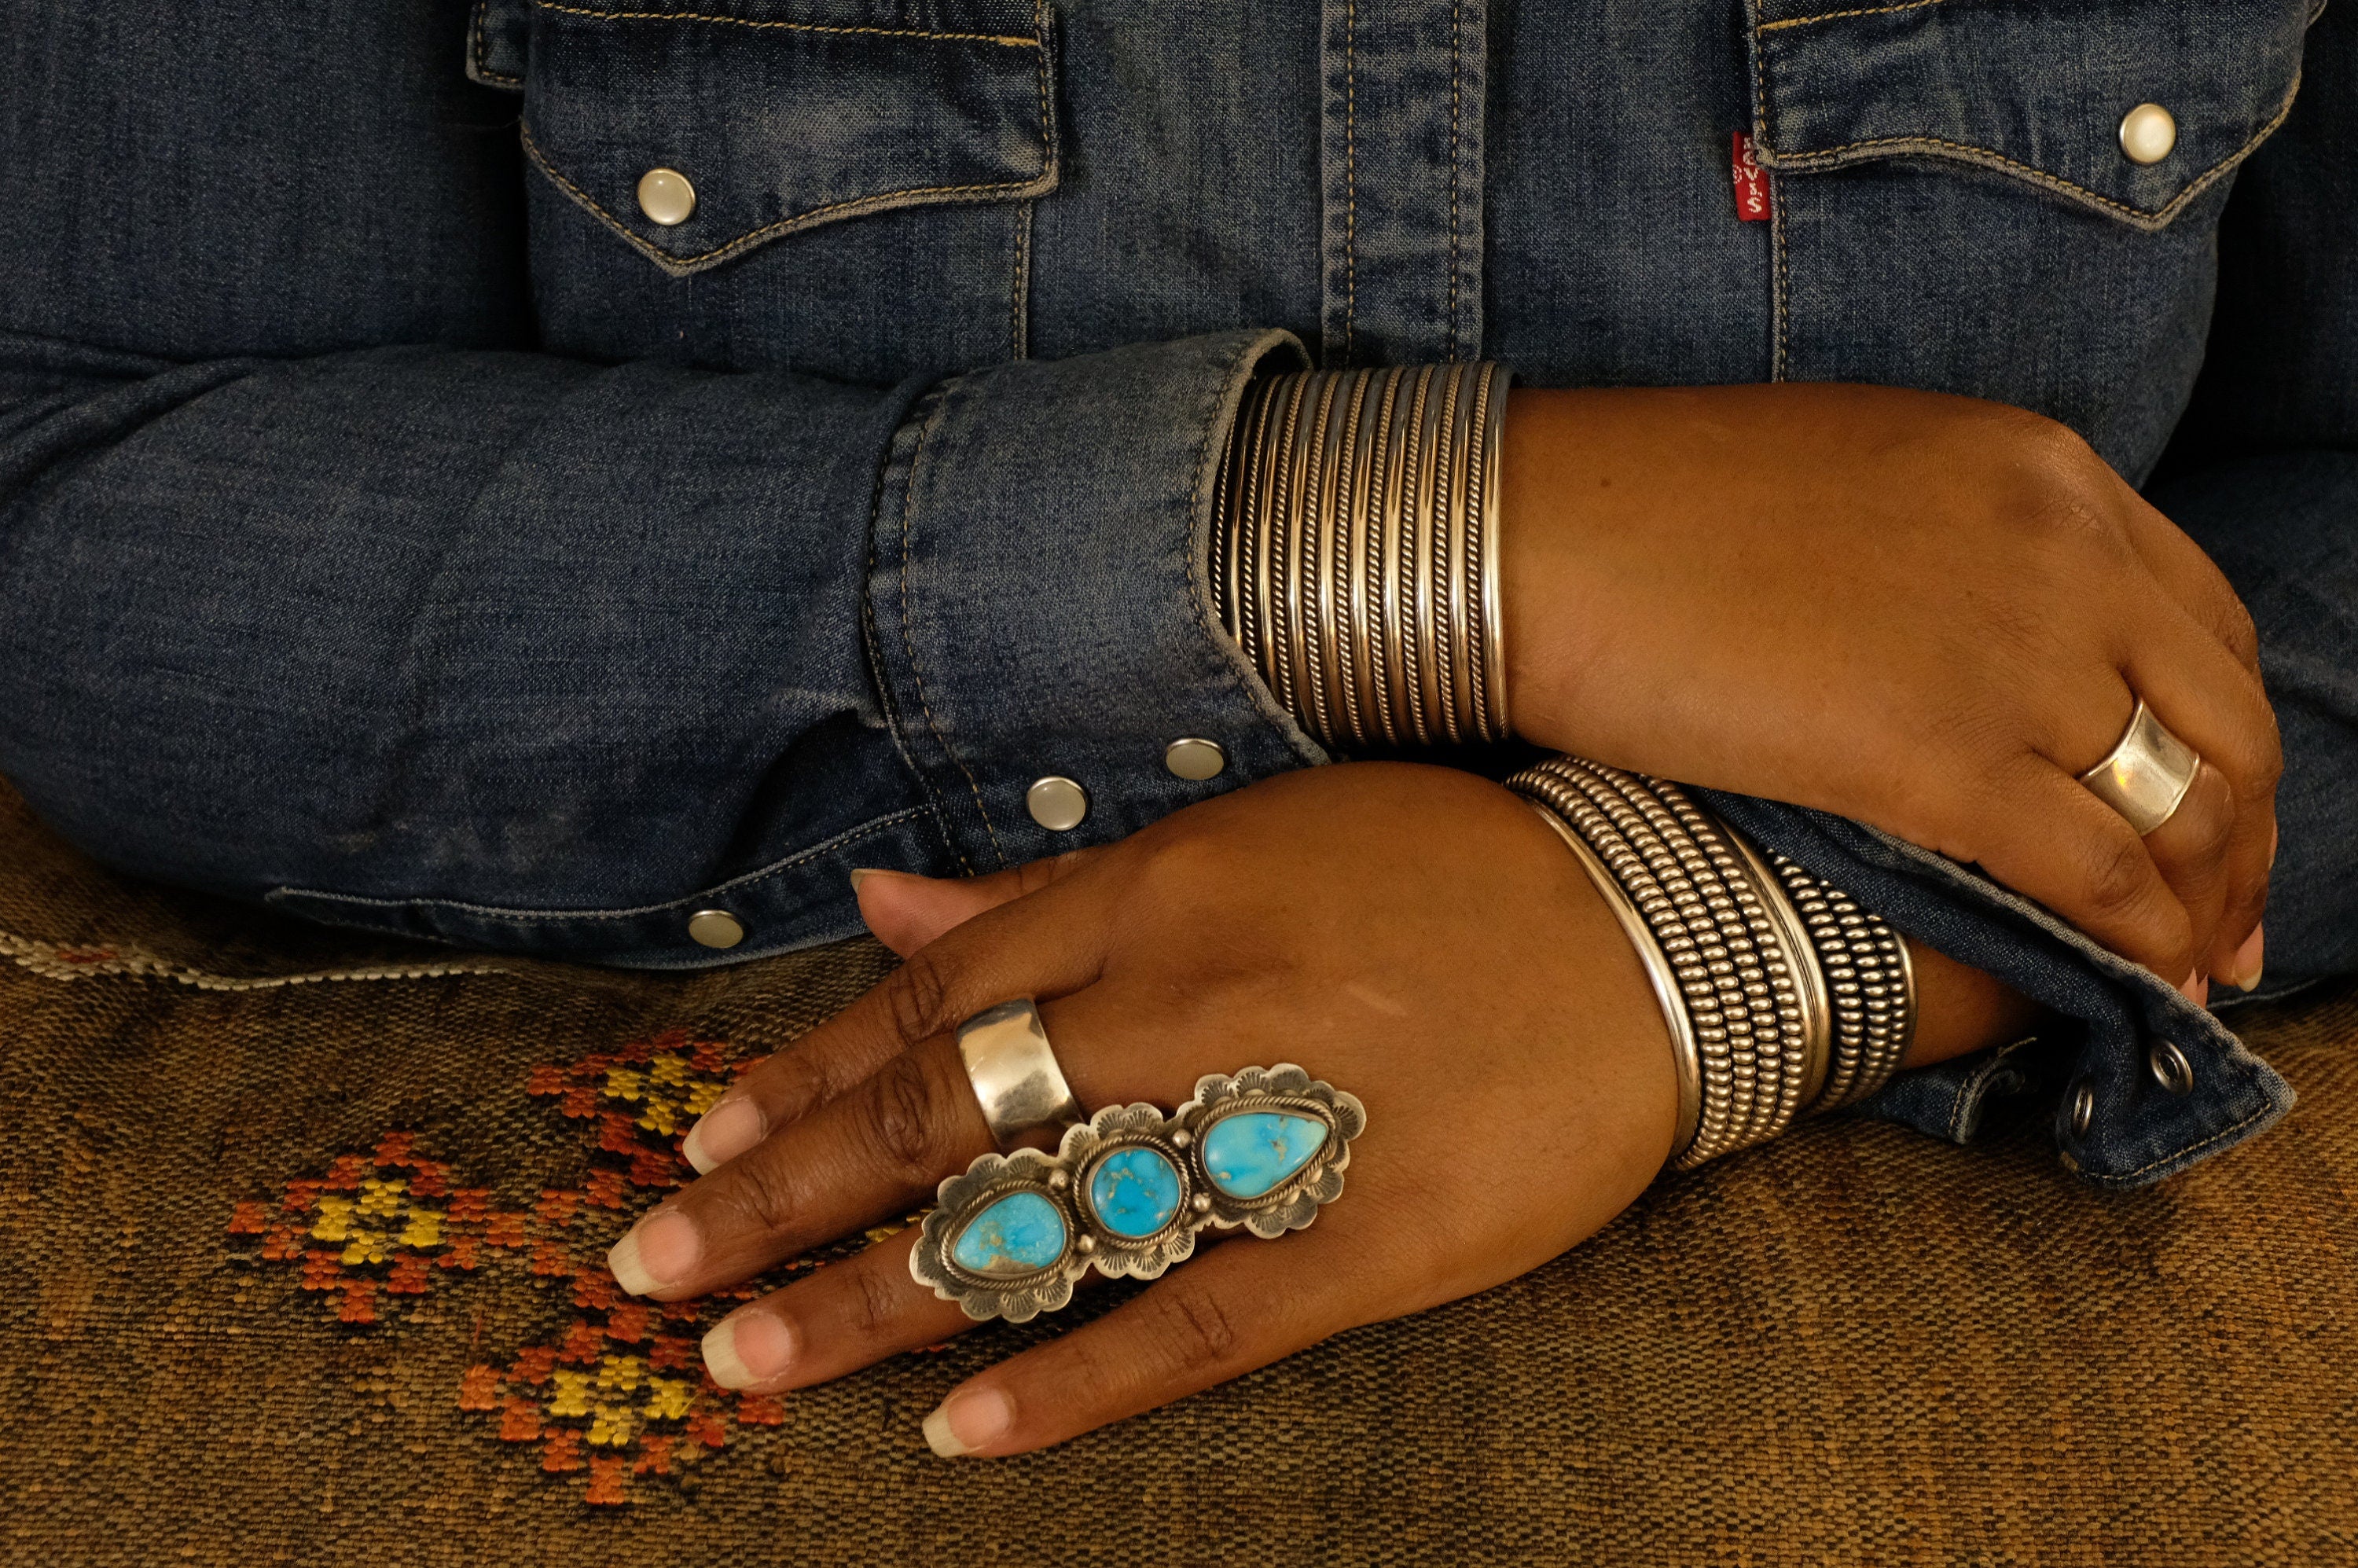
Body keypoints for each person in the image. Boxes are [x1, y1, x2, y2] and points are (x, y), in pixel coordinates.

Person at [2, 0, 2350, 1458]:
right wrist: (1442, 542)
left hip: (2002, 1233)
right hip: (680, 1168)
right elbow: (119, 503)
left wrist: (1716, 941)